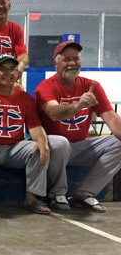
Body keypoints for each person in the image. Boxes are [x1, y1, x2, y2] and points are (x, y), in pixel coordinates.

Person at [0, 53, 69, 215]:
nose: (8, 73)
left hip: (14, 148)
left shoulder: (25, 98)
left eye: (12, 69)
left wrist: (42, 142)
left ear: (17, 73)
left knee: (38, 147)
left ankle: (31, 198)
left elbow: (35, 127)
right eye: (2, 69)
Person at [36, 40, 121, 212]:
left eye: (76, 58)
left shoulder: (92, 86)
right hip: (53, 148)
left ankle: (84, 194)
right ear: (56, 63)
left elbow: (111, 118)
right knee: (60, 142)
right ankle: (57, 194)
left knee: (119, 143)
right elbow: (53, 112)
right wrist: (78, 105)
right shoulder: (45, 87)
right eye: (66, 59)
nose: (72, 63)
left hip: (80, 147)